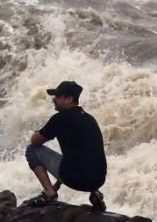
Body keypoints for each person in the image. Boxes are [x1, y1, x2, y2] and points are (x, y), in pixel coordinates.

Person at [24, 80, 107, 211]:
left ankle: (49, 193)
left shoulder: (60, 118)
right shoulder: (90, 119)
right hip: (98, 179)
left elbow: (35, 142)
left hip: (76, 179)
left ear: (69, 99)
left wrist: (36, 133)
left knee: (32, 150)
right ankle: (95, 193)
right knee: (77, 155)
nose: (54, 99)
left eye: (57, 96)